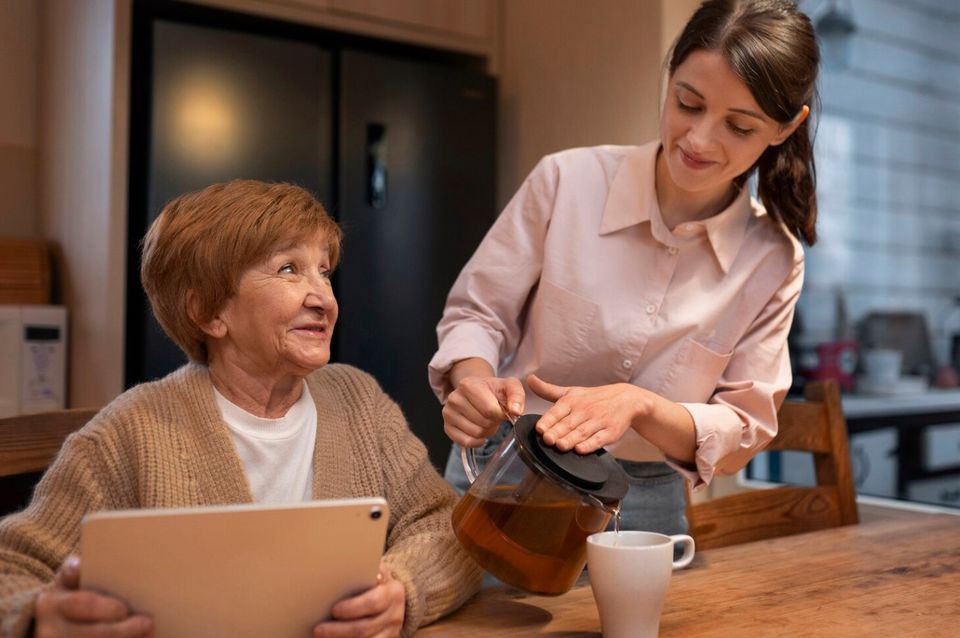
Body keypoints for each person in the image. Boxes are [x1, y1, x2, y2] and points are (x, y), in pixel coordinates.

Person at [0, 180, 481, 637]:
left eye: (324, 271)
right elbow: (12, 567)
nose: (324, 299)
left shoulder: (359, 400)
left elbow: (446, 527)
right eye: (289, 269)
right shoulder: (130, 431)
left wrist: (401, 588)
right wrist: (38, 616)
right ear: (209, 313)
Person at [430, 0, 820, 535]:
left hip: (643, 500)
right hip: (508, 468)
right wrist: (471, 382)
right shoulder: (566, 181)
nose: (700, 140)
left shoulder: (772, 260)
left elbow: (742, 426)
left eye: (739, 126)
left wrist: (642, 407)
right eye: (688, 103)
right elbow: (478, 313)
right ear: (670, 78)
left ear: (783, 128)